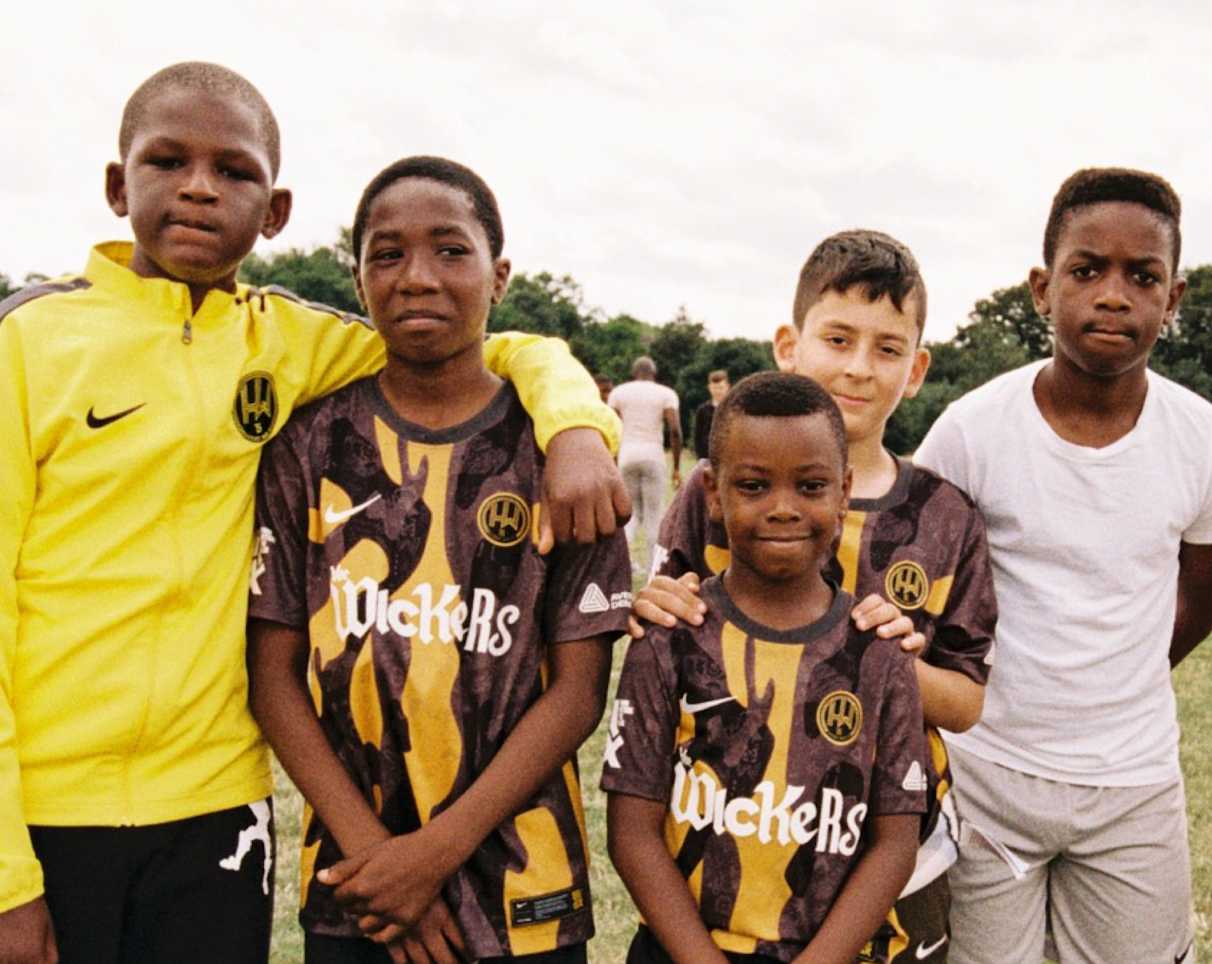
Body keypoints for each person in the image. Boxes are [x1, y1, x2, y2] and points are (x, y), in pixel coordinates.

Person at [0, 64, 627, 964]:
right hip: (48, 808)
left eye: (235, 171)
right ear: (116, 186)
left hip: (216, 803)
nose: (200, 187)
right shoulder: (28, 342)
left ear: (276, 210)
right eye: (167, 161)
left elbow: (488, 347)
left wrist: (573, 425)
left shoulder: (289, 339)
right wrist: (6, 877)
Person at [247, 155, 633, 964]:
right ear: (357, 280)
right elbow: (272, 677)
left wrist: (433, 855)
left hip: (526, 885)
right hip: (357, 885)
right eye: (387, 254)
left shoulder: (563, 455)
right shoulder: (306, 445)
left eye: (450, 250)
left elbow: (578, 694)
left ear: (500, 277)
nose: (418, 276)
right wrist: (380, 860)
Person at [633, 230, 996, 962]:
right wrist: (652, 605)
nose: (859, 367)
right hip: (723, 850)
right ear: (789, 345)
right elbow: (667, 614)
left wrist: (875, 657)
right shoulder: (715, 494)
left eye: (887, 348)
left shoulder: (945, 517)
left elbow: (964, 701)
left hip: (891, 865)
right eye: (838, 338)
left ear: (917, 369)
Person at [914, 167, 1212, 964]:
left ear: (1173, 300)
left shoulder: (1200, 437)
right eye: (1087, 270)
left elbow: (1203, 584)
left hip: (1133, 781)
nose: (1113, 296)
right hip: (987, 772)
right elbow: (916, 587)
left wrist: (1124, 672)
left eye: (1142, 276)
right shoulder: (971, 432)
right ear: (1043, 289)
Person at [603, 371, 928, 963]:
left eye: (810, 486)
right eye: (753, 486)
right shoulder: (669, 638)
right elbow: (631, 835)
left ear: (844, 491)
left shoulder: (880, 651)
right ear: (712, 492)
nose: (782, 509)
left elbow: (894, 846)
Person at [608, 356, 682, 571]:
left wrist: (612, 461)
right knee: (654, 516)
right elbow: (675, 431)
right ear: (654, 373)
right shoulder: (666, 393)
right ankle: (654, 568)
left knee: (628, 516)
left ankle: (620, 564)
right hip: (653, 455)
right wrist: (676, 467)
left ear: (634, 373)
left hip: (626, 455)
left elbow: (610, 427)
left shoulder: (619, 392)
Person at [692, 369, 730, 459]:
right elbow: (697, 437)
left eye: (721, 387)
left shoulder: (733, 408)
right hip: (707, 456)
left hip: (728, 455)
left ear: (728, 387)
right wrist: (700, 457)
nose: (718, 391)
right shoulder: (702, 410)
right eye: (715, 388)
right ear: (709, 388)